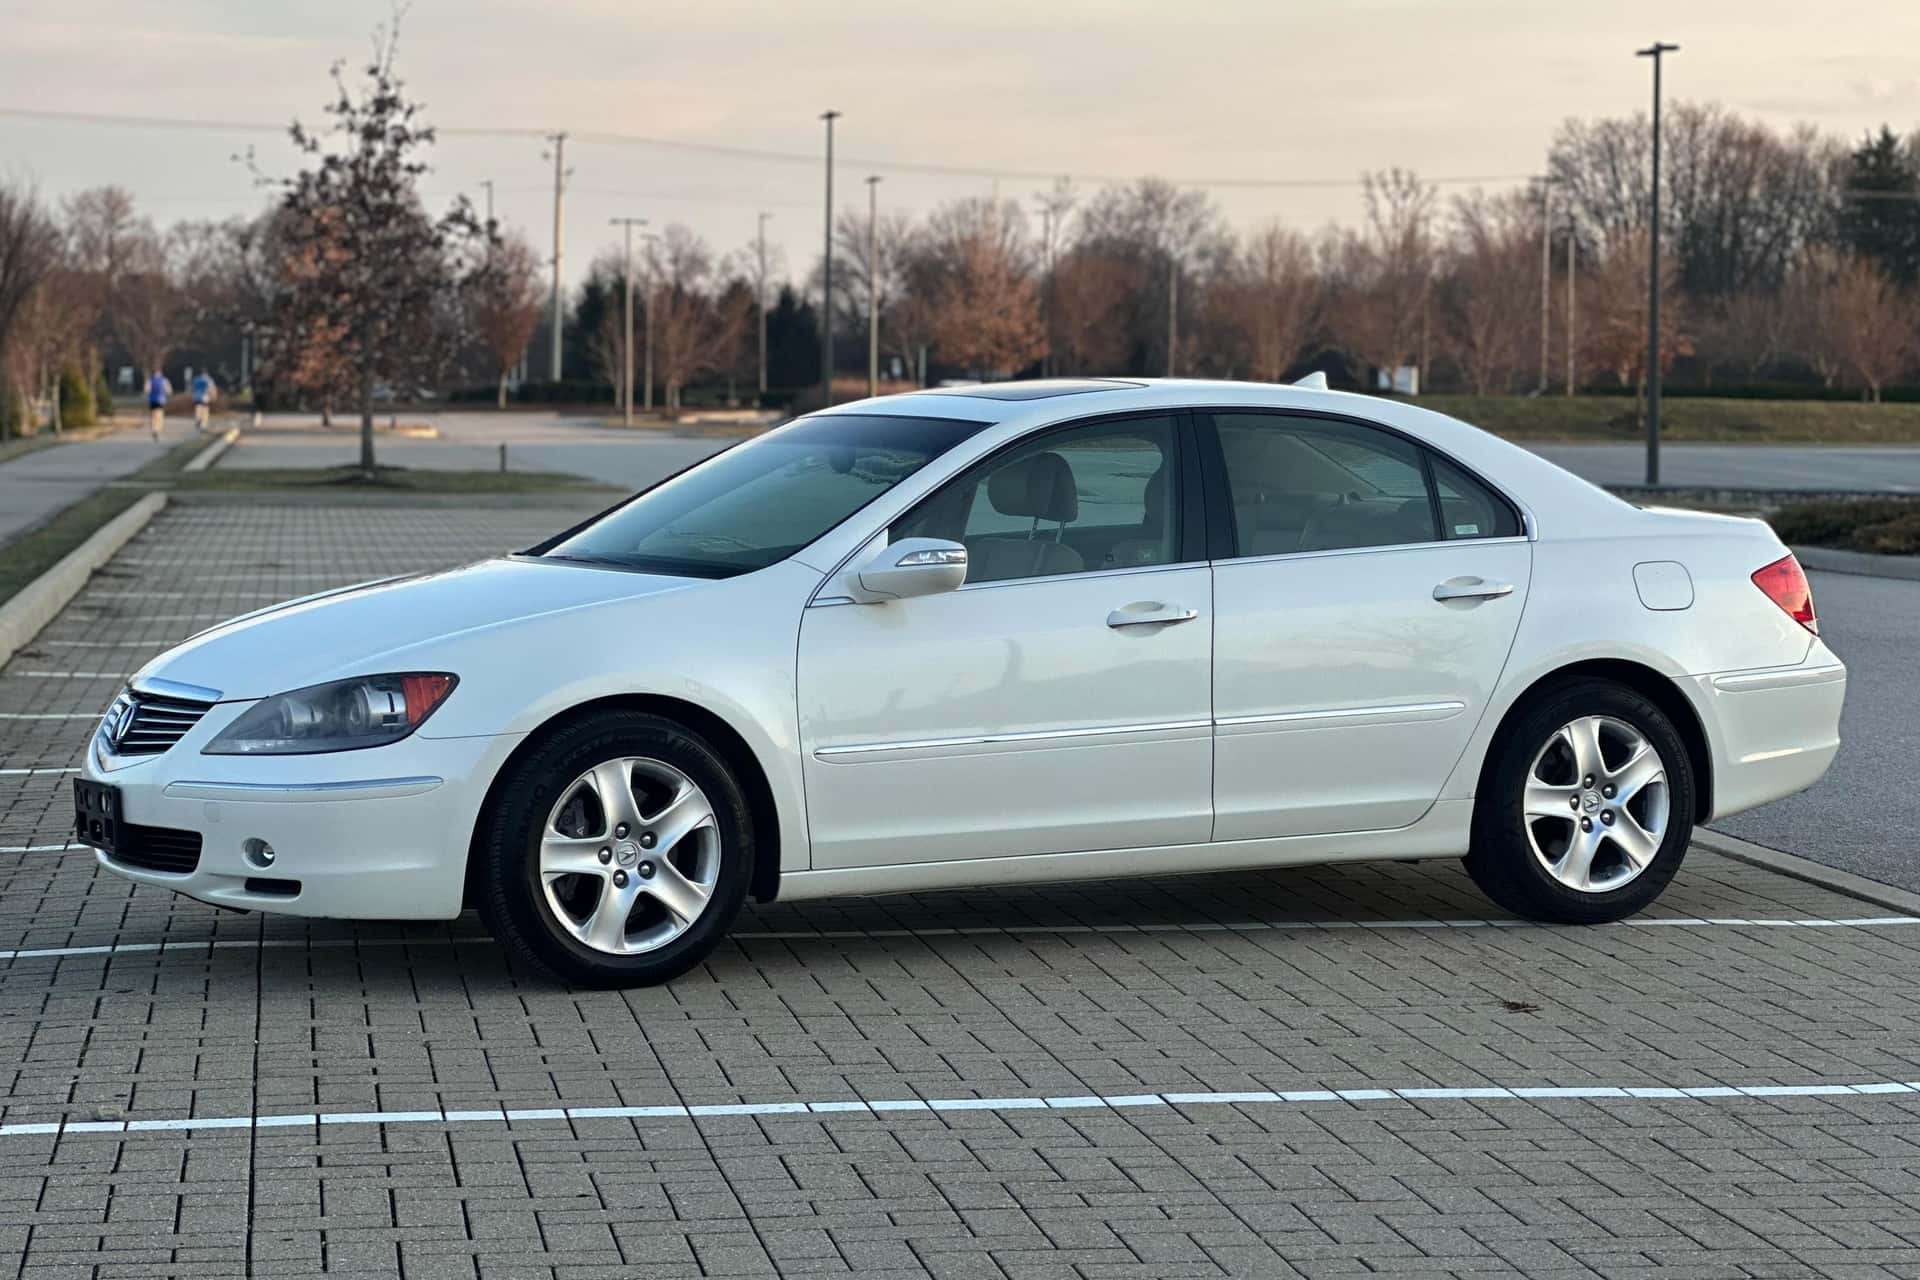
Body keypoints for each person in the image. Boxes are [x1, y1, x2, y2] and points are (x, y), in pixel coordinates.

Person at [145, 368, 173, 441]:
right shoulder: (164, 380)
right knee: (159, 416)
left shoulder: (150, 380)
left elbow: (147, 390)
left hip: (152, 400)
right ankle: (157, 429)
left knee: (153, 416)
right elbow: (169, 391)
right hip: (161, 400)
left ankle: (154, 429)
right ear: (160, 373)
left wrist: (149, 394)